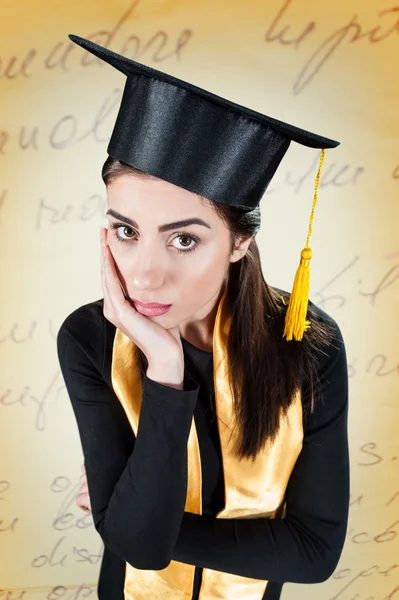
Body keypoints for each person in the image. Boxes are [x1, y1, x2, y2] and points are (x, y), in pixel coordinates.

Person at [56, 34, 350, 600]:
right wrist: (164, 366)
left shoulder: (307, 344)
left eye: (184, 239)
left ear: (239, 242)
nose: (144, 275)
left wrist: (135, 518)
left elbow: (314, 554)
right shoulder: (90, 338)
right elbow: (136, 553)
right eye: (126, 231)